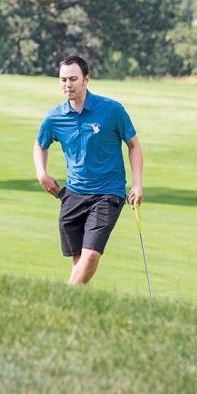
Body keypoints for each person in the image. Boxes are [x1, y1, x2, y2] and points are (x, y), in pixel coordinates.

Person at [33, 54, 142, 285]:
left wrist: (138, 183)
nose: (67, 85)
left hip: (108, 193)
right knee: (80, 262)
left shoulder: (112, 110)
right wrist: (41, 173)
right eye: (63, 80)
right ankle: (74, 310)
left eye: (73, 79)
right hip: (72, 195)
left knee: (91, 256)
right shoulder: (55, 117)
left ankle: (61, 302)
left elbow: (134, 145)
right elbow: (40, 145)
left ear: (86, 79)